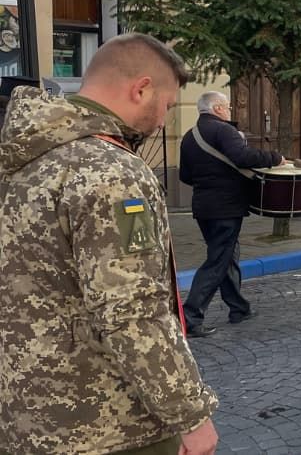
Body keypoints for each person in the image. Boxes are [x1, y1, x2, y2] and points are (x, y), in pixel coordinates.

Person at [0, 33, 219, 455]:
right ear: (141, 89)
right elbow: (133, 310)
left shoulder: (24, 157)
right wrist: (190, 415)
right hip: (107, 424)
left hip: (24, 419)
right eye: (167, 106)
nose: (163, 122)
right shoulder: (111, 171)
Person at [179, 90, 284, 337]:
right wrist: (274, 158)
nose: (229, 110)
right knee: (217, 261)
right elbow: (243, 156)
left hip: (203, 206)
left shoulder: (189, 136)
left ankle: (238, 308)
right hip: (226, 207)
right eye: (227, 106)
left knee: (226, 255)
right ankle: (191, 316)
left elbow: (185, 175)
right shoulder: (224, 130)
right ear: (217, 108)